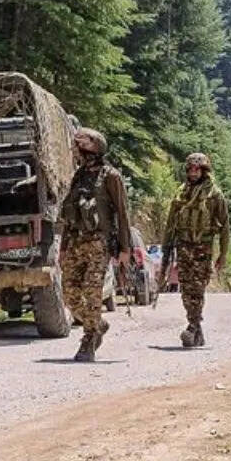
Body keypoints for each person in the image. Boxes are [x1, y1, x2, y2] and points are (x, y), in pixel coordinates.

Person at [59, 128, 131, 362]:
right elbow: (70, 213)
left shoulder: (111, 176)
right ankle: (98, 324)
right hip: (76, 242)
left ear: (97, 148)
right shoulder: (78, 176)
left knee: (92, 294)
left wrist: (125, 249)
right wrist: (63, 247)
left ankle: (89, 339)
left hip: (99, 243)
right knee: (69, 294)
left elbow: (122, 213)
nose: (79, 149)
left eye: (84, 145)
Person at [161, 153, 231, 348]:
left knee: (197, 288)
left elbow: (225, 226)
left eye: (197, 169)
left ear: (204, 171)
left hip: (203, 247)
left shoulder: (214, 194)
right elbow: (170, 223)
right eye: (190, 169)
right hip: (183, 246)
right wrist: (166, 249)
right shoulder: (181, 193)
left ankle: (192, 327)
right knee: (186, 288)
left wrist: (223, 254)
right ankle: (196, 328)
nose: (193, 173)